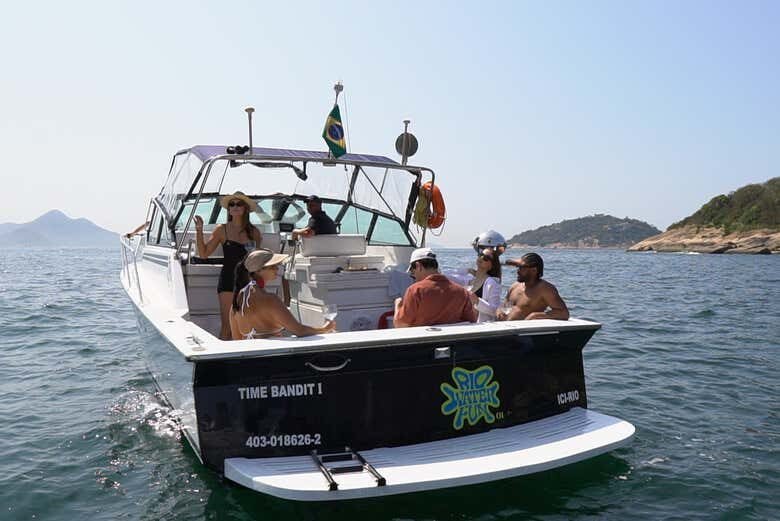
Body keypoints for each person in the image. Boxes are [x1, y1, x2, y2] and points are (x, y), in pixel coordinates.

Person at [194, 191, 263, 340]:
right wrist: (199, 230)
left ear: (245, 208)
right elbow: (204, 254)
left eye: (239, 204)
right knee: (227, 327)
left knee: (247, 326)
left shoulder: (255, 232)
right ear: (228, 209)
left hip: (248, 283)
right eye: (232, 204)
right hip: (228, 282)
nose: (235, 206)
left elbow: (257, 261)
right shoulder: (221, 229)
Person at [229, 249, 336, 339]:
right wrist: (325, 328)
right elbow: (299, 331)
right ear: (258, 270)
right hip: (272, 358)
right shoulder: (271, 300)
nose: (277, 268)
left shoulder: (237, 301)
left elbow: (237, 341)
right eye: (272, 266)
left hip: (250, 360)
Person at [394, 248, 478, 327]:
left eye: (412, 271)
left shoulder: (415, 290)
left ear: (418, 266)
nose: (413, 276)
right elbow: (471, 320)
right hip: (451, 341)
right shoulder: (462, 292)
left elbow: (400, 324)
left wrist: (397, 305)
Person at [499, 252, 569, 321]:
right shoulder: (515, 286)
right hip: (505, 328)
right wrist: (499, 311)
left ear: (534, 270)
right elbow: (505, 306)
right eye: (518, 267)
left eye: (522, 268)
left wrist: (535, 315)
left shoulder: (545, 289)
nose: (518, 271)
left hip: (522, 330)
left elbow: (563, 313)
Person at [466, 247, 503, 322]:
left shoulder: (491, 283)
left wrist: (477, 300)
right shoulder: (470, 279)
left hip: (480, 326)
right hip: (465, 323)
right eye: (480, 254)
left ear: (491, 266)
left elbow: (494, 310)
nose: (482, 258)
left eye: (486, 258)